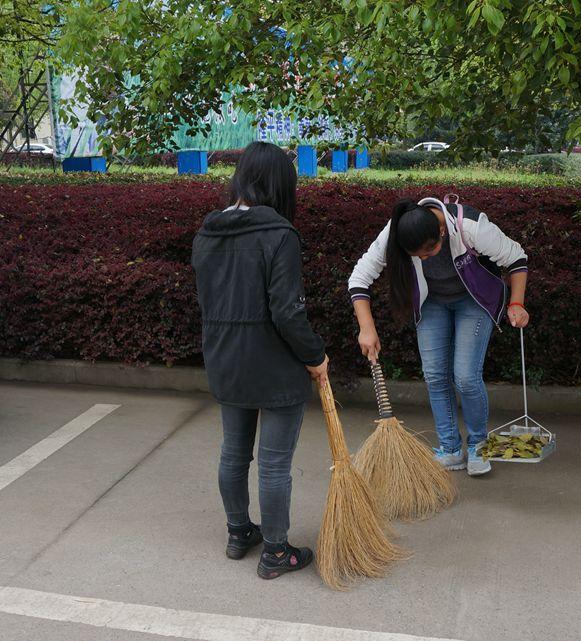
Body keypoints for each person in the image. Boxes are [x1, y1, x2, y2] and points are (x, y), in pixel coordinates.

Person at [191, 141, 328, 580]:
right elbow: (287, 312)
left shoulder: (207, 234)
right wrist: (316, 355)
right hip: (274, 366)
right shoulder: (279, 235)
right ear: (279, 184)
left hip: (225, 361)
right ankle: (276, 551)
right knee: (273, 464)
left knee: (234, 453)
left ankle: (238, 533)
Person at [348, 196, 529, 477]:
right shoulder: (395, 232)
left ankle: (479, 445)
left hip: (473, 301)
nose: (423, 258)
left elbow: (516, 257)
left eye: (429, 251)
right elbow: (359, 278)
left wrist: (516, 302)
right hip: (432, 302)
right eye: (416, 255)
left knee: (466, 376)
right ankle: (450, 449)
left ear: (442, 231)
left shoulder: (470, 226)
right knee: (434, 375)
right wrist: (367, 327)